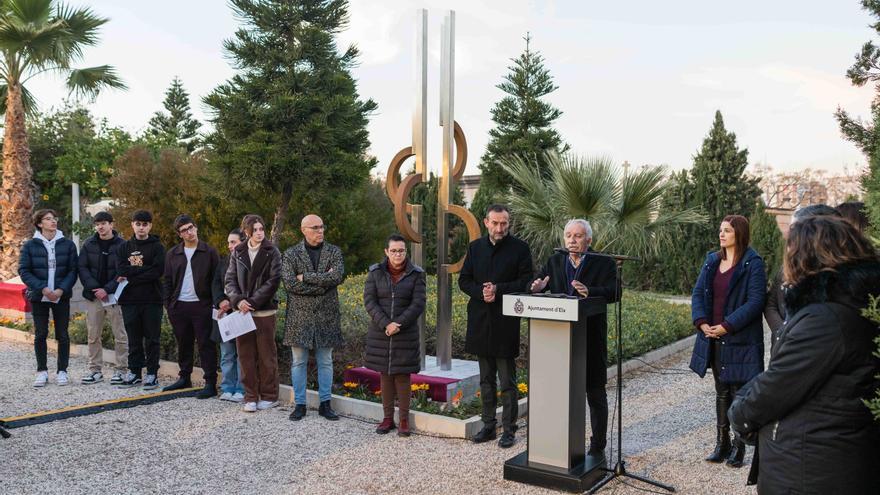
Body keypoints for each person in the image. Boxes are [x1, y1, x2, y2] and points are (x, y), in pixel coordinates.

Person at [729, 215, 880, 494]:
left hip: (809, 468)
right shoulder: (852, 305)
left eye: (791, 249)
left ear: (808, 257)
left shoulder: (825, 319)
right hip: (828, 456)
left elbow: (776, 386)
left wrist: (739, 414)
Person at [528, 219, 619, 458]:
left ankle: (598, 444)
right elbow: (538, 282)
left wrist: (592, 292)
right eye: (568, 235)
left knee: (595, 392)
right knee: (560, 391)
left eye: (578, 236)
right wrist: (536, 287)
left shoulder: (603, 262)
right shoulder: (555, 260)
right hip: (558, 339)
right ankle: (560, 439)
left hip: (590, 338)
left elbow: (616, 291)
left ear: (588, 240)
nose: (572, 240)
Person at [689, 214, 766, 468]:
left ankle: (738, 447)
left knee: (738, 392)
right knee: (721, 392)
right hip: (713, 337)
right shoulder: (712, 261)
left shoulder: (752, 263)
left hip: (739, 337)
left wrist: (726, 326)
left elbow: (756, 302)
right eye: (721, 230)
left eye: (727, 231)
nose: (721, 235)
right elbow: (698, 292)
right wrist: (702, 322)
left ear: (739, 234)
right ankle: (721, 444)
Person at [459, 204, 533, 448]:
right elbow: (464, 280)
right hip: (480, 320)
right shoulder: (475, 247)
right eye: (495, 223)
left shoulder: (520, 249)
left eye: (504, 223)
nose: (500, 228)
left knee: (507, 381)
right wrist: (482, 292)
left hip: (506, 321)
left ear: (508, 223)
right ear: (486, 222)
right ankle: (488, 425)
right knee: (485, 379)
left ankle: (509, 429)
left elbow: (526, 281)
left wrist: (498, 289)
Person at [282, 214, 345, 421]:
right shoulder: (291, 254)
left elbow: (337, 277)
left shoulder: (334, 251)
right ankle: (300, 404)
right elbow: (290, 284)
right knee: (298, 362)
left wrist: (306, 277)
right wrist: (322, 285)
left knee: (325, 361)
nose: (320, 231)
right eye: (315, 227)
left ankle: (325, 404)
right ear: (303, 230)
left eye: (322, 226)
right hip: (299, 318)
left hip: (326, 316)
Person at [363, 234, 426, 437]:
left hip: (404, 333)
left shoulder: (416, 274)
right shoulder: (374, 273)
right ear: (386, 252)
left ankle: (404, 420)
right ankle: (388, 418)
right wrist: (386, 324)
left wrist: (398, 324)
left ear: (405, 252)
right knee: (385, 375)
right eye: (394, 251)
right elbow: (369, 301)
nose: (398, 254)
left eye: (401, 250)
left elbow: (418, 304)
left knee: (402, 376)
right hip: (381, 333)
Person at [225, 215, 282, 413]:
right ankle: (250, 396)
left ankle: (269, 396)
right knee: (245, 356)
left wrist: (252, 302)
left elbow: (274, 280)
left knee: (267, 355)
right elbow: (230, 279)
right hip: (241, 312)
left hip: (264, 311)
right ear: (247, 232)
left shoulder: (272, 251)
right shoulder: (238, 251)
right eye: (255, 229)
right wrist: (238, 301)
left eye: (261, 229)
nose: (259, 232)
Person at [162, 215, 220, 398]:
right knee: (184, 343)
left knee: (206, 344)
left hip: (201, 306)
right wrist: (169, 304)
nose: (189, 232)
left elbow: (216, 280)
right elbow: (168, 281)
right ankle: (184, 377)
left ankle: (210, 383)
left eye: (191, 227)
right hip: (179, 306)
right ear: (180, 234)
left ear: (196, 227)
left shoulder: (209, 251)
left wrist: (214, 303)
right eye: (184, 230)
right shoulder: (173, 253)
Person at [19, 209, 78, 387]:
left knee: (63, 334)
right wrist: (43, 288)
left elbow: (73, 270)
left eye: (54, 218)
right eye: (48, 219)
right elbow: (24, 270)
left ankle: (62, 371)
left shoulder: (67, 244)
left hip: (61, 296)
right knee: (40, 334)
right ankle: (42, 371)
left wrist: (61, 289)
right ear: (39, 223)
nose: (53, 222)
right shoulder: (30, 245)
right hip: (39, 296)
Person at [764, 205, 840, 342]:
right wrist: (782, 330)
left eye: (795, 232)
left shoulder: (835, 288)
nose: (788, 240)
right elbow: (771, 303)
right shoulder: (785, 270)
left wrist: (792, 338)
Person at [116, 210, 166, 389]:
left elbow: (158, 271)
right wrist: (144, 270)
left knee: (152, 339)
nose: (141, 227)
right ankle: (134, 372)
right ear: (132, 225)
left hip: (152, 299)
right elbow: (121, 270)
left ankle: (152, 373)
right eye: (138, 224)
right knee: (133, 338)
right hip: (130, 300)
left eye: (145, 224)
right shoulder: (124, 247)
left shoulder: (157, 247)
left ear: (150, 226)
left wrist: (133, 275)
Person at [78, 211, 128, 385]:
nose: (100, 226)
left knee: (120, 334)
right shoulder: (88, 244)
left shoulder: (123, 245)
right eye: (97, 223)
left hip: (115, 297)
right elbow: (82, 268)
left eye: (104, 223)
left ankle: (121, 370)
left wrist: (107, 289)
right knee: (93, 335)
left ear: (111, 224)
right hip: (93, 297)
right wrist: (95, 289)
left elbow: (123, 270)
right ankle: (95, 371)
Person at [212, 228, 246, 402]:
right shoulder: (223, 262)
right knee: (227, 354)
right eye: (228, 242)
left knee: (242, 354)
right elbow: (216, 284)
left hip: (241, 314)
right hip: (225, 316)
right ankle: (227, 387)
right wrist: (220, 301)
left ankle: (241, 389)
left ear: (243, 241)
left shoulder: (249, 261)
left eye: (233, 242)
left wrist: (233, 302)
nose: (229, 245)